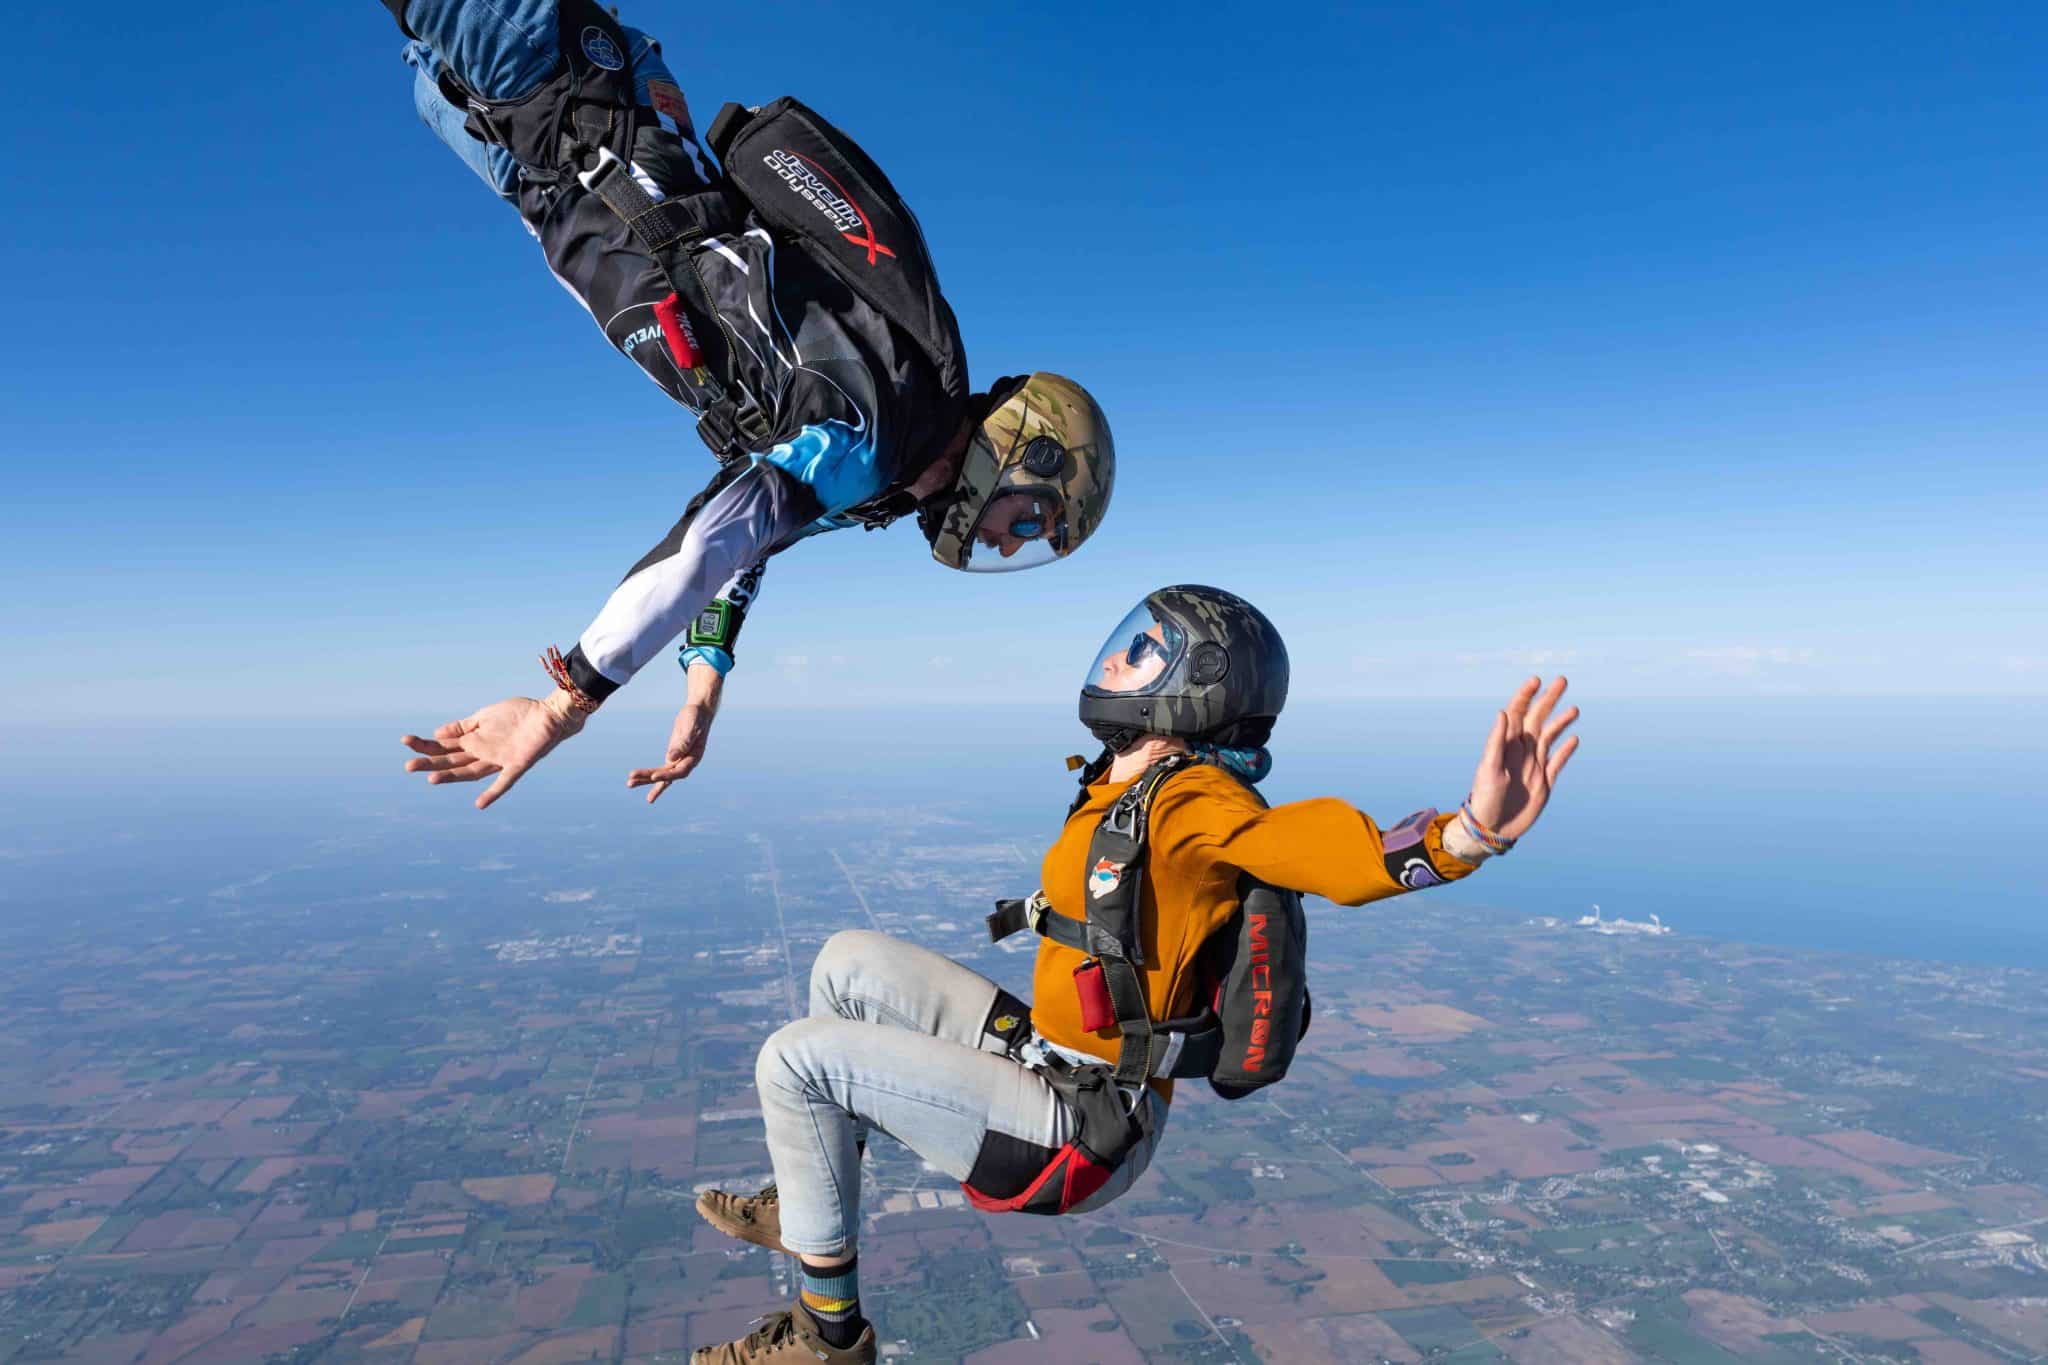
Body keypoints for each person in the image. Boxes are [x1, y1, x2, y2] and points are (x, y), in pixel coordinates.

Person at [685, 586, 1582, 1363]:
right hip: (1045, 1059)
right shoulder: (1132, 782)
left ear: (1193, 686)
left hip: (1082, 1129)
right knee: (845, 964)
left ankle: (826, 1336)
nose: (1119, 663)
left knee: (793, 1060)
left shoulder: (1196, 796)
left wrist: (1467, 834)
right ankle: (802, 1202)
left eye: (1144, 652)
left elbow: (1319, 850)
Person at [379, 0, 1116, 809]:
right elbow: (715, 542)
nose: (1007, 548)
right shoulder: (876, 433)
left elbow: (747, 540)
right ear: (1018, 447)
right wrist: (566, 705)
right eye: (1027, 521)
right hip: (561, 96)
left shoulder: (881, 454)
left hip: (530, 149)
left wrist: (701, 690)